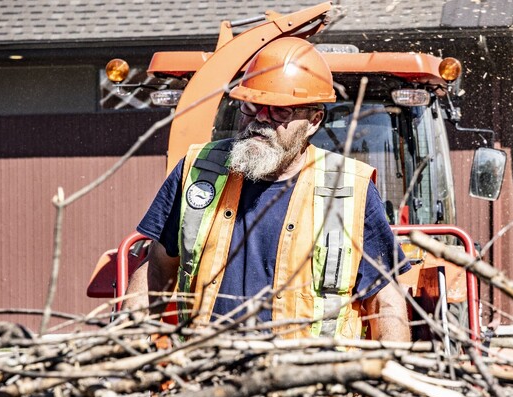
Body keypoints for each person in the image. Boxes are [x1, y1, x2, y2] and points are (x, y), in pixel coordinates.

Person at [129, 37, 411, 341]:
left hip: (313, 380)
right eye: (251, 105)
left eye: (280, 111)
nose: (260, 119)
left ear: (314, 120)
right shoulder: (198, 171)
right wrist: (128, 344)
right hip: (208, 372)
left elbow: (385, 300)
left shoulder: (350, 190)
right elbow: (157, 269)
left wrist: (393, 370)